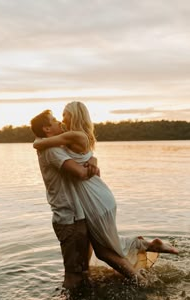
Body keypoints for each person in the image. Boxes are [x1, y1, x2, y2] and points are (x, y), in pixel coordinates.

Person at [33, 102, 179, 285]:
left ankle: (140, 281)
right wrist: (92, 160)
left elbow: (76, 168)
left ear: (74, 116)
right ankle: (145, 249)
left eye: (64, 115)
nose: (61, 120)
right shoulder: (66, 141)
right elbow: (82, 159)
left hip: (94, 199)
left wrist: (37, 141)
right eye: (56, 118)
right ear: (47, 128)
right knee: (106, 244)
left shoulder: (67, 139)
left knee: (103, 250)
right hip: (93, 198)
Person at [30, 110, 99, 290]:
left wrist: (93, 158)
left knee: (83, 269)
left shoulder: (57, 146)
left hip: (76, 216)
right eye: (54, 121)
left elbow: (84, 155)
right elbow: (81, 173)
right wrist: (91, 166)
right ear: (46, 128)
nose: (60, 122)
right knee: (73, 273)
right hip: (69, 218)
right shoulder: (52, 150)